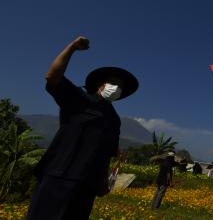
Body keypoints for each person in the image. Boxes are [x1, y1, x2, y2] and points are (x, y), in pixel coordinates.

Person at [27, 36, 139, 220]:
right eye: (113, 83)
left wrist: (102, 181)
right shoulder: (79, 99)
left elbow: (106, 153)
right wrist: (71, 48)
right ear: (100, 85)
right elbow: (53, 76)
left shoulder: (114, 119)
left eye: (120, 87)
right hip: (59, 177)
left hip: (86, 185)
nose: (117, 88)